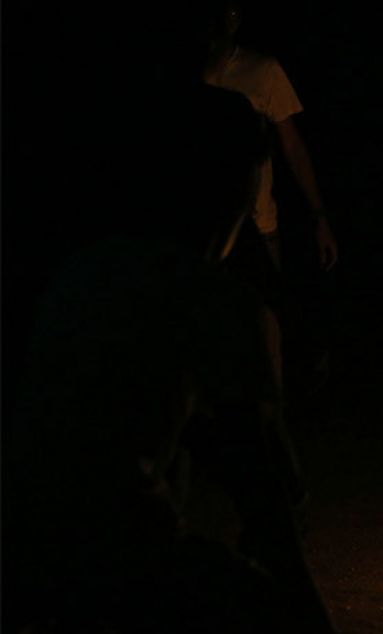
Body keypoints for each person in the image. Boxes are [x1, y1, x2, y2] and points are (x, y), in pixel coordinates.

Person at [3, 77, 335, 632]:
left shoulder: (87, 269)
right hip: (109, 562)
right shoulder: (215, 300)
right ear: (233, 186)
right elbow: (263, 486)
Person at [202, 0, 338, 272]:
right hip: (206, 228)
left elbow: (293, 148)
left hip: (257, 225)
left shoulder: (262, 71)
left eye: (231, 12)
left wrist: (320, 217)